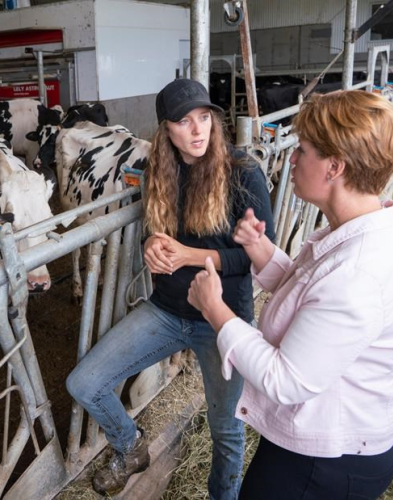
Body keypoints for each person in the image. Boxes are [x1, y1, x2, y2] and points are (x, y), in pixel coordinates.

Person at [187, 90, 393, 499]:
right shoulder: (359, 233)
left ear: (335, 167)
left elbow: (286, 379)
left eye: (302, 150)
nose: (292, 159)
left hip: (326, 464)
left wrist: (216, 310)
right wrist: (262, 252)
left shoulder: (358, 273)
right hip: (328, 439)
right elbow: (314, 297)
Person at [66, 78, 275, 498]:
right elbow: (155, 228)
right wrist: (150, 244)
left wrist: (187, 255)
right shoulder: (156, 172)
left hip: (224, 321)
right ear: (166, 130)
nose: (198, 130)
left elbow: (254, 258)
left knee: (226, 432)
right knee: (84, 383)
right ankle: (130, 446)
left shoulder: (243, 172)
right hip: (165, 312)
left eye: (204, 118)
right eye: (184, 121)